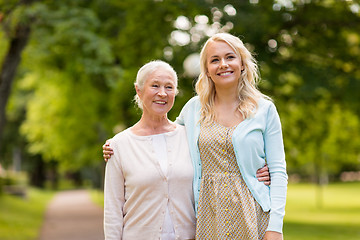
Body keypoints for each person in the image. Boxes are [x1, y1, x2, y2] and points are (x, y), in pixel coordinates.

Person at [103, 33, 284, 240]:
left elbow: (279, 171)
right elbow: (162, 133)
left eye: (230, 57)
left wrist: (275, 227)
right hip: (208, 218)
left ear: (242, 63)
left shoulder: (264, 110)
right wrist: (117, 143)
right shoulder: (193, 109)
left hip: (252, 213)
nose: (223, 64)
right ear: (206, 69)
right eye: (215, 60)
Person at [103, 60, 196, 240]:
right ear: (139, 90)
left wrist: (262, 171)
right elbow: (113, 210)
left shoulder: (190, 137)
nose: (162, 93)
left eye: (169, 87)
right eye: (155, 85)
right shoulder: (119, 145)